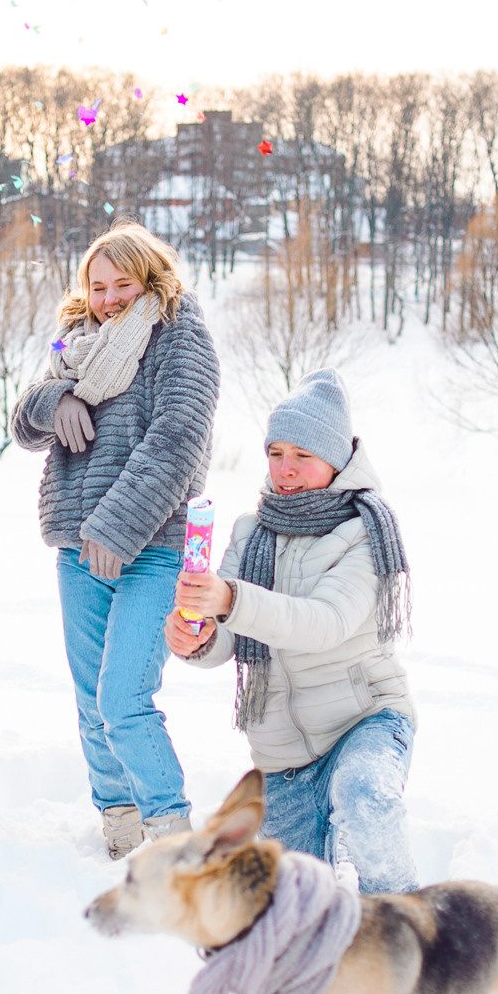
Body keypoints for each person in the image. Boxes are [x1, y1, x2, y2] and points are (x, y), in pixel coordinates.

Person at [165, 369, 421, 893]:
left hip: (364, 722)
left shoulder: (365, 532)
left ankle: (406, 924)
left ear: (337, 458)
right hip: (283, 758)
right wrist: (200, 638)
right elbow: (233, 637)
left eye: (303, 456)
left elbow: (324, 623)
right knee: (294, 903)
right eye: (276, 453)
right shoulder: (250, 532)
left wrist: (232, 600)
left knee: (365, 798)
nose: (286, 469)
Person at [11, 224, 220, 858]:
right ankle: (120, 823)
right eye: (97, 286)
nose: (108, 298)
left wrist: (118, 526)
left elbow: (179, 436)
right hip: (78, 547)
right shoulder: (77, 344)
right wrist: (56, 402)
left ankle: (171, 831)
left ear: (151, 278)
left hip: (151, 544)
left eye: (122, 284)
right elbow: (22, 421)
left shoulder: (180, 335)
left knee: (123, 694)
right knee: (88, 697)